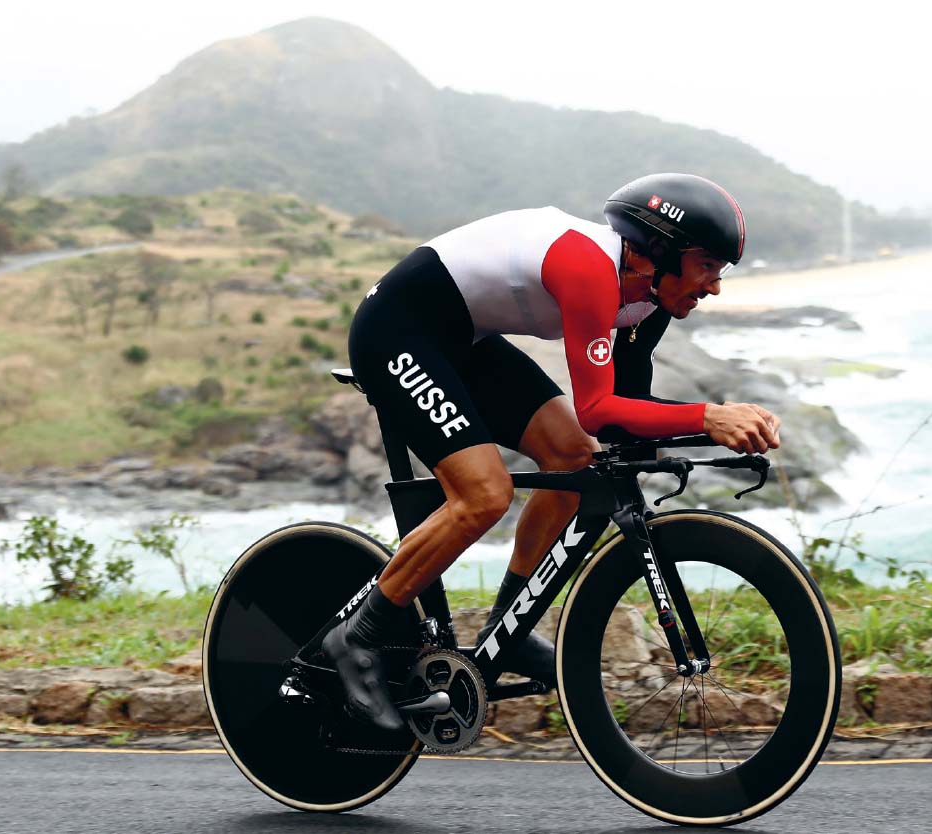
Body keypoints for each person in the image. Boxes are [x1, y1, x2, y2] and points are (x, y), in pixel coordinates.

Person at [321, 173, 781, 731]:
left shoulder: (646, 303)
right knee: (484, 494)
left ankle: (506, 631)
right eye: (707, 266)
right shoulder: (589, 268)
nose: (713, 287)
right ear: (659, 252)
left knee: (574, 458)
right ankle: (358, 636)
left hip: (465, 341)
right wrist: (708, 417)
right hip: (395, 332)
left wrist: (711, 431)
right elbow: (598, 408)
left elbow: (624, 419)